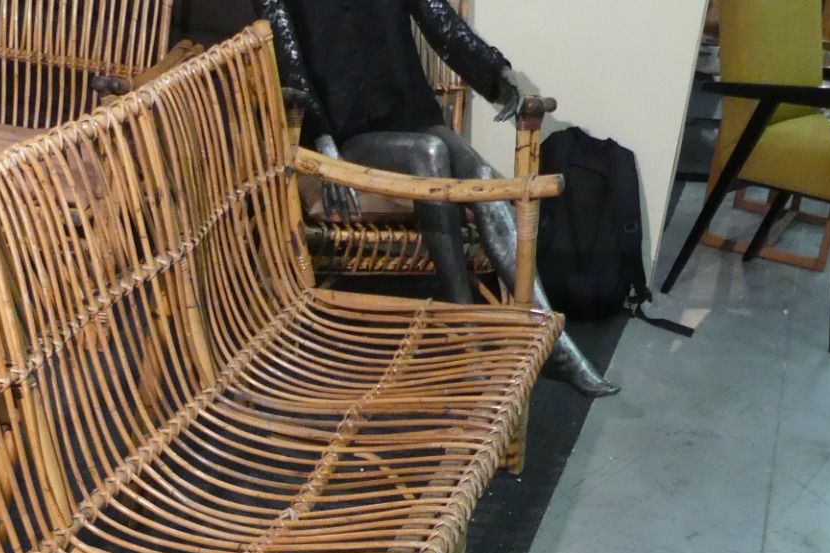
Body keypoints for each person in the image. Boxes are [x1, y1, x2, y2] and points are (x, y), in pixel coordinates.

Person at [256, 0, 620, 398]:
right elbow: (285, 56)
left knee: (481, 174)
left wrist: (498, 76)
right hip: (349, 133)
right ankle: (465, 328)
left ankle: (552, 338)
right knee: (429, 154)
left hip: (410, 115)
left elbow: (438, 19)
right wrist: (321, 134)